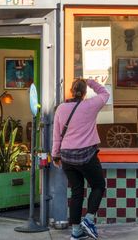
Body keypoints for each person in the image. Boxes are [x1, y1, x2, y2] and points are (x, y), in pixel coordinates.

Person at [52, 78, 110, 240]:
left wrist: (55, 155)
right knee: (98, 185)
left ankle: (76, 231)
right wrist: (91, 81)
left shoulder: (61, 108)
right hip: (86, 156)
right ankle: (89, 220)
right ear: (84, 93)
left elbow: (57, 135)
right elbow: (105, 94)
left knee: (77, 192)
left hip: (67, 157)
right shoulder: (90, 105)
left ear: (71, 91)